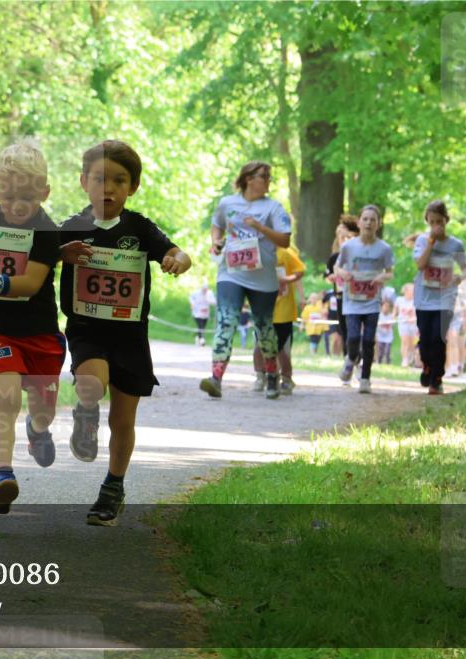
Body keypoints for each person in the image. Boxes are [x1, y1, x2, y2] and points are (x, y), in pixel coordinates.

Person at [59, 140, 191, 526]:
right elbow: (40, 258)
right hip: (87, 329)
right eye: (100, 179)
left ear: (133, 186)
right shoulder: (70, 227)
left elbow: (180, 252)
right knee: (90, 384)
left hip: (131, 336)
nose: (108, 188)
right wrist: (60, 254)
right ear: (84, 181)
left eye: (119, 180)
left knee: (123, 419)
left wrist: (176, 260)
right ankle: (85, 417)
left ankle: (113, 487)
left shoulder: (140, 228)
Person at [0, 142, 66, 514]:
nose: (17, 206)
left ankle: (38, 431)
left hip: (39, 332)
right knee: (7, 397)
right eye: (9, 196)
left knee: (42, 409)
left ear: (44, 193)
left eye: (27, 197)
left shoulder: (47, 231)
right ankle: (2, 475)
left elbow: (31, 284)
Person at [199, 161, 292, 400]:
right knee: (226, 321)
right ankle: (216, 378)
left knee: (264, 329)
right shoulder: (227, 203)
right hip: (231, 273)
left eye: (270, 177)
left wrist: (260, 227)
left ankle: (272, 375)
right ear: (249, 178)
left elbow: (284, 240)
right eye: (264, 176)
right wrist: (216, 242)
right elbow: (217, 225)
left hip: (263, 278)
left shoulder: (273, 207)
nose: (268, 181)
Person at [334, 204, 394, 393]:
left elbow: (390, 273)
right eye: (365, 219)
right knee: (352, 337)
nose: (368, 223)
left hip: (372, 300)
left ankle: (365, 378)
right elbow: (337, 267)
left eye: (372, 220)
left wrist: (381, 277)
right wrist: (343, 273)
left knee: (368, 340)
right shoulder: (348, 247)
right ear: (359, 222)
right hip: (352, 299)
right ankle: (351, 359)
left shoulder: (384, 248)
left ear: (378, 224)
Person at [412, 200, 466, 394]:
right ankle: (427, 365)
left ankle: (437, 378)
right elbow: (420, 265)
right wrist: (431, 242)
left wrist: (460, 277)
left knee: (439, 337)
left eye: (440, 222)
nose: (436, 226)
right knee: (426, 338)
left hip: (446, 297)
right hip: (424, 298)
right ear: (428, 221)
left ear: (446, 220)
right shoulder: (421, 240)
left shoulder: (455, 244)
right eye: (432, 222)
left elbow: (465, 269)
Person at [252, 245, 305, 395]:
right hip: (262, 307)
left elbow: (299, 271)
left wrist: (285, 280)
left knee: (280, 348)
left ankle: (286, 379)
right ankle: (260, 376)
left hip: (283, 310)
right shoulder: (255, 251)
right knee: (259, 345)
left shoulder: (286, 253)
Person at [325, 215, 360, 357]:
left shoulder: (358, 255)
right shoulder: (334, 258)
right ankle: (349, 358)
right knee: (344, 328)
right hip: (340, 296)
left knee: (355, 329)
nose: (344, 240)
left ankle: (358, 355)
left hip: (357, 296)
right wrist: (332, 278)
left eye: (347, 237)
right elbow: (327, 277)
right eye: (341, 237)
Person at [394, 283, 418, 367]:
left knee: (412, 343)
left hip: (413, 324)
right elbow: (395, 311)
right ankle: (404, 359)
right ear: (406, 291)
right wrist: (394, 318)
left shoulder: (416, 300)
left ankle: (411, 356)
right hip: (403, 323)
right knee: (404, 341)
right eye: (411, 290)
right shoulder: (399, 300)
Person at [376, 299, 396, 365]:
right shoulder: (379, 315)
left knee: (387, 351)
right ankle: (379, 362)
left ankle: (388, 363)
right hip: (380, 336)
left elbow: (393, 325)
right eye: (384, 306)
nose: (386, 308)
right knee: (380, 351)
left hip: (388, 336)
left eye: (387, 306)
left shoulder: (391, 316)